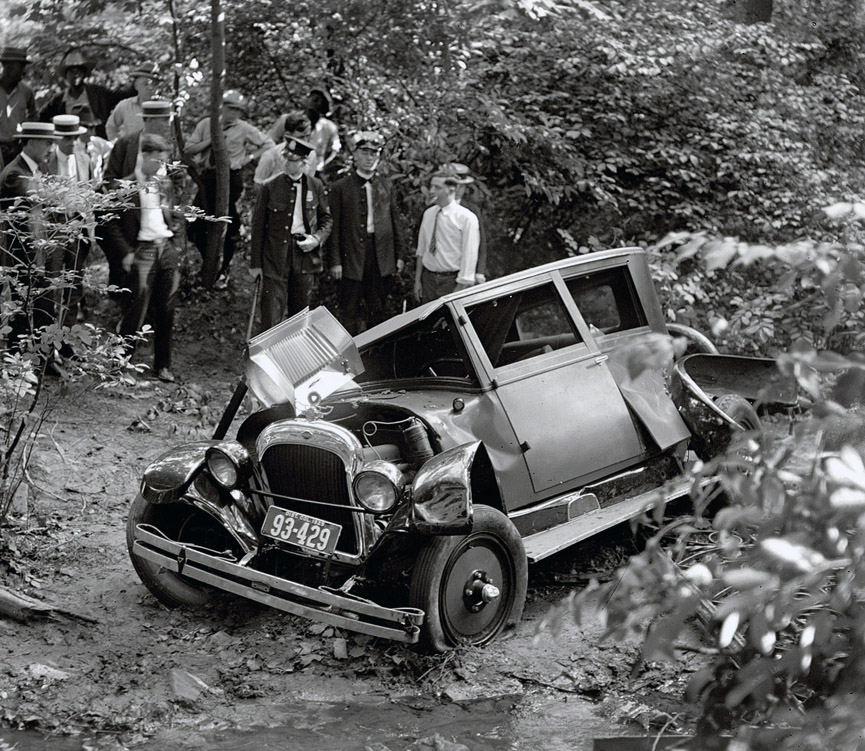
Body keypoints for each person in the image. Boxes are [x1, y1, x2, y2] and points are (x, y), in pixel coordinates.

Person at [103, 133, 181, 383]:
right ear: (144, 157)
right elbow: (109, 224)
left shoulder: (164, 183)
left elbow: (175, 214)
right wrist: (125, 253)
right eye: (158, 161)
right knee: (136, 307)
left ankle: (163, 366)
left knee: (167, 308)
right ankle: (122, 364)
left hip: (166, 248)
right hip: (142, 250)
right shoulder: (124, 187)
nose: (162, 167)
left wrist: (176, 244)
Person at [185, 89, 274, 280]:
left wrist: (246, 159)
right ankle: (209, 263)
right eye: (230, 108)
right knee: (194, 225)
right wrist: (212, 140)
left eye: (238, 110)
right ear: (221, 107)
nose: (234, 113)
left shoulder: (244, 128)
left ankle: (224, 269)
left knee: (227, 222)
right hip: (208, 178)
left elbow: (269, 144)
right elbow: (189, 149)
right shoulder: (206, 124)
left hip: (231, 179)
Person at [249, 135, 332, 332]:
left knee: (300, 317)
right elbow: (258, 226)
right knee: (270, 314)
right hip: (275, 256)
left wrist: (316, 239)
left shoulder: (316, 185)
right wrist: (256, 264)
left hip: (304, 255)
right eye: (286, 158)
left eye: (292, 160)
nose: (287, 163)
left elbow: (326, 220)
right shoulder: (270, 186)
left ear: (304, 163)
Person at [328, 130, 405, 334]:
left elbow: (395, 222)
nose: (369, 158)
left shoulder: (386, 185)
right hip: (351, 255)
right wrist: (335, 261)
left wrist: (399, 256)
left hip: (381, 255)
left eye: (374, 153)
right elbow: (333, 227)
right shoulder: (340, 187)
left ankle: (376, 359)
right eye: (364, 153)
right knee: (349, 309)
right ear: (354, 155)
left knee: (377, 309)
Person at [0, 122, 62, 358]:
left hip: (37, 252)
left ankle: (41, 359)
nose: (50, 148)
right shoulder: (15, 173)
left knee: (41, 306)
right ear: (32, 142)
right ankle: (16, 362)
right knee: (21, 310)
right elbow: (43, 196)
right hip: (20, 255)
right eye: (48, 142)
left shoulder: (37, 168)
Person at [101, 100, 176, 294]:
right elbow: (109, 183)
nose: (167, 125)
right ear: (148, 120)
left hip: (157, 227)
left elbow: (174, 186)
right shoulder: (126, 144)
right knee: (129, 285)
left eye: (168, 119)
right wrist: (135, 180)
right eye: (163, 120)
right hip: (129, 224)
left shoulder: (168, 147)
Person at [46, 114, 95, 322]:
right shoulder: (45, 162)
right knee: (52, 284)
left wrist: (90, 231)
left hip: (78, 229)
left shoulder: (84, 160)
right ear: (56, 139)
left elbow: (91, 196)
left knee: (75, 284)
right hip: (53, 230)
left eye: (75, 137)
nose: (72, 143)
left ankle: (67, 335)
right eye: (67, 138)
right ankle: (48, 338)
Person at [414, 173, 479, 303]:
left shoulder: (466, 218)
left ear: (451, 190)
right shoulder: (428, 214)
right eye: (431, 186)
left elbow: (469, 257)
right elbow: (422, 251)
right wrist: (417, 281)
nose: (431, 191)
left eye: (437, 187)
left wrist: (458, 291)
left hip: (451, 282)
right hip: (428, 281)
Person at [39, 48, 130, 141]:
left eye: (78, 71)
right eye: (71, 72)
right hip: (70, 145)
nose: (75, 75)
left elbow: (121, 96)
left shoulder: (98, 93)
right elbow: (41, 119)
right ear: (66, 75)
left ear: (84, 74)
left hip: (96, 144)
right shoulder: (58, 100)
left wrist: (137, 83)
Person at [266, 87, 341, 176]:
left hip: (313, 173)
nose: (315, 103)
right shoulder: (287, 119)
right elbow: (270, 141)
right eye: (313, 99)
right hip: (285, 171)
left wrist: (323, 166)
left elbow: (335, 149)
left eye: (320, 101)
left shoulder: (328, 127)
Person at [445, 163, 488, 284]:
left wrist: (479, 272)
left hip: (464, 271)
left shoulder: (472, 210)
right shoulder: (435, 209)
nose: (458, 190)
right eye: (455, 186)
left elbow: (481, 242)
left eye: (462, 187)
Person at [254, 109, 316, 186]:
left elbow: (309, 184)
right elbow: (258, 185)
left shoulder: (311, 154)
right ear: (288, 135)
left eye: (308, 136)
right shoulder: (270, 156)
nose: (305, 141)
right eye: (301, 137)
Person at [0, 46, 37, 167]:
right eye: (21, 67)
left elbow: (33, 116)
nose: (24, 71)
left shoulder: (27, 92)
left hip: (17, 149)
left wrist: (25, 136)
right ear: (9, 67)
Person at [105, 64, 160, 141]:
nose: (150, 88)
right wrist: (118, 147)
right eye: (145, 84)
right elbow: (110, 127)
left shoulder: (166, 107)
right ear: (136, 86)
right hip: (133, 151)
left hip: (158, 151)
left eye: (154, 84)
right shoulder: (124, 106)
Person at [70, 103, 113, 185]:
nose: (90, 132)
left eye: (92, 127)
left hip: (98, 190)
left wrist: (106, 172)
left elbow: (114, 151)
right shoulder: (71, 148)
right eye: (85, 128)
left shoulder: (97, 143)